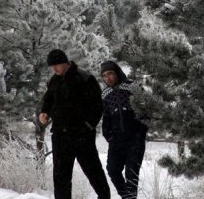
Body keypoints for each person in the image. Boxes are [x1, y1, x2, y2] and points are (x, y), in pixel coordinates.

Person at [39, 49, 110, 199]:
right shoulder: (54, 80)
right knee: (61, 177)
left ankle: (105, 197)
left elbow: (97, 105)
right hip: (59, 134)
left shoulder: (84, 77)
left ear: (65, 62)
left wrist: (88, 126)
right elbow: (48, 99)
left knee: (93, 171)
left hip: (81, 134)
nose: (54, 69)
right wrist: (44, 112)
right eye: (52, 67)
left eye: (56, 65)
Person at [100, 60, 148, 199]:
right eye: (104, 75)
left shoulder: (133, 87)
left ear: (117, 73)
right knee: (112, 170)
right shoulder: (105, 94)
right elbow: (106, 117)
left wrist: (140, 132)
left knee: (131, 174)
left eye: (110, 74)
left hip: (135, 139)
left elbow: (145, 110)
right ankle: (127, 197)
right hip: (116, 140)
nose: (108, 78)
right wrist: (108, 135)